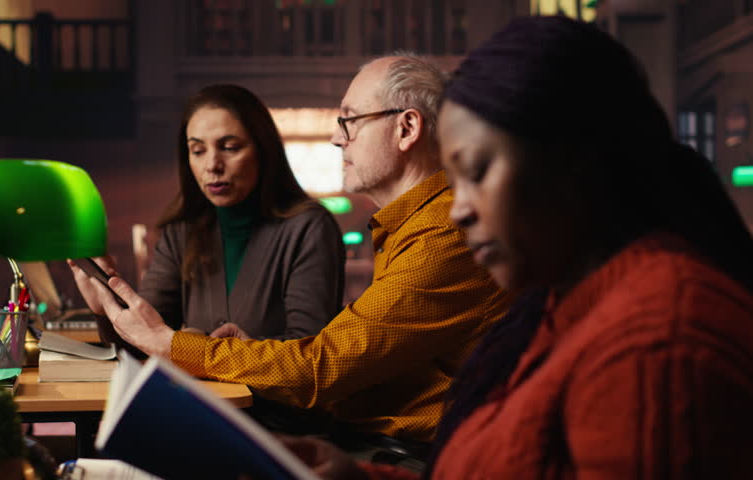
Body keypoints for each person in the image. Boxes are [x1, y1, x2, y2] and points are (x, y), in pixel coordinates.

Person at [279, 16, 753, 479]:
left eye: (479, 172)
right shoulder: (557, 304)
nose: (459, 210)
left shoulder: (658, 343)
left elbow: (324, 367)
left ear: (571, 163)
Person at [72, 54, 510, 454]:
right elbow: (343, 361)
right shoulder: (411, 226)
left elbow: (320, 369)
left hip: (405, 458)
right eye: (197, 149)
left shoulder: (445, 234)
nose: (337, 140)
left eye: (350, 121)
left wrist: (176, 345)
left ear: (407, 128)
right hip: (365, 444)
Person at [73, 84, 346, 347]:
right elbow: (144, 341)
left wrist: (202, 349)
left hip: (268, 396)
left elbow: (309, 351)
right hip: (195, 395)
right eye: (198, 151)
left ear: (264, 151)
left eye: (230, 147)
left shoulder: (309, 228)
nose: (212, 165)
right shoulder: (181, 231)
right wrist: (105, 309)